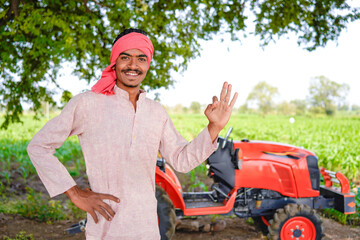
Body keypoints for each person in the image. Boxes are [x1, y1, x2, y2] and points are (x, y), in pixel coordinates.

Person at [27, 28, 238, 239]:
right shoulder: (87, 103)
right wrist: (75, 193)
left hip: (146, 229)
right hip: (105, 230)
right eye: (125, 57)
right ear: (114, 62)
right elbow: (39, 147)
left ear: (148, 64)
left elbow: (182, 160)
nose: (133, 65)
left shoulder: (156, 112)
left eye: (141, 59)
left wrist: (214, 127)